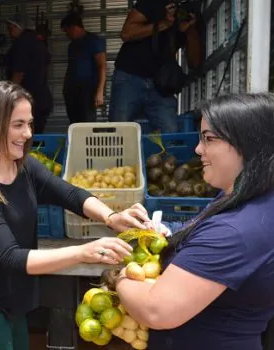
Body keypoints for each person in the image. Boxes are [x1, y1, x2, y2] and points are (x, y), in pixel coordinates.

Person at [0, 81, 152, 349]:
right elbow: (12, 257)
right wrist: (81, 252)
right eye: (18, 124)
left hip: (12, 304)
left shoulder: (26, 168)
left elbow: (71, 195)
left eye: (29, 123)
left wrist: (111, 217)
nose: (27, 133)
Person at [115, 92, 274, 350]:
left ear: (247, 143)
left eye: (209, 139)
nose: (198, 149)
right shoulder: (253, 200)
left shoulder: (234, 232)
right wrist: (169, 232)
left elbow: (156, 310)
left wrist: (120, 277)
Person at [109, 0, 203, 133]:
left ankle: (164, 154)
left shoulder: (192, 13)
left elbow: (195, 62)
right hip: (130, 77)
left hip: (160, 86)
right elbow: (126, 33)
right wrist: (164, 24)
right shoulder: (154, 3)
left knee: (170, 133)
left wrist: (191, 30)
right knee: (118, 133)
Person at [5, 13, 53, 134]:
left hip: (30, 100)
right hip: (42, 99)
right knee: (36, 135)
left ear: (18, 27)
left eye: (11, 29)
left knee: (27, 136)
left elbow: (19, 72)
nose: (9, 33)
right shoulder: (39, 42)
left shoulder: (22, 43)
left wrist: (8, 95)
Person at [61, 12, 107, 124]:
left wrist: (100, 91)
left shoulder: (93, 41)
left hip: (88, 89)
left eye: (67, 31)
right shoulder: (72, 46)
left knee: (87, 124)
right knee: (74, 124)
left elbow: (102, 66)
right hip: (72, 90)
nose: (67, 35)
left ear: (74, 27)